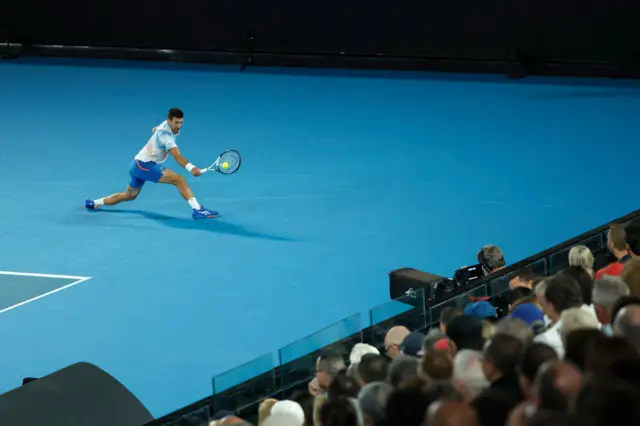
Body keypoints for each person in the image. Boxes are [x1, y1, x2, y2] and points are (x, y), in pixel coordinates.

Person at [84, 108, 218, 219]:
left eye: (181, 122)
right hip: (145, 165)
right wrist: (192, 168)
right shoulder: (166, 137)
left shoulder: (164, 126)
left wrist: (156, 132)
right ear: (169, 121)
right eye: (176, 123)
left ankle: (92, 203)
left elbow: (155, 129)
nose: (179, 126)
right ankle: (198, 210)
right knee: (179, 180)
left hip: (137, 165)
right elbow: (177, 156)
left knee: (129, 196)